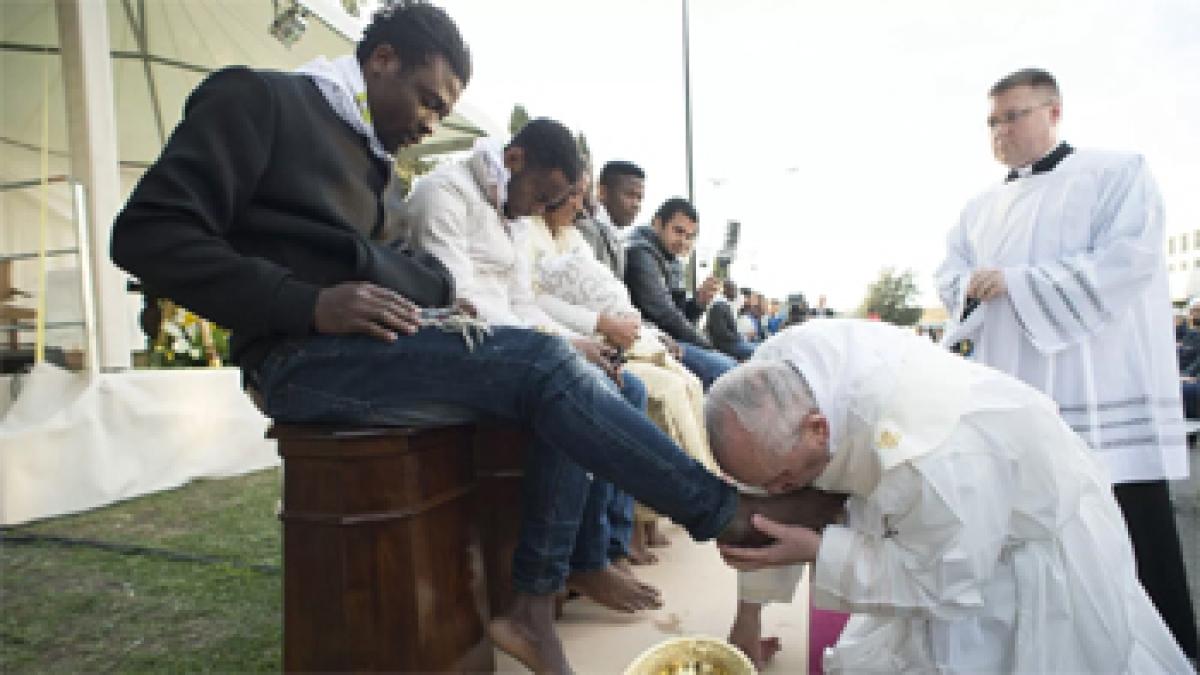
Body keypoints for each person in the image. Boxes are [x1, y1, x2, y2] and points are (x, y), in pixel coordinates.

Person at [109, 4, 836, 672]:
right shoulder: (259, 100)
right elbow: (146, 235)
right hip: (296, 360)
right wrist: (310, 303)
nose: (431, 123)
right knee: (547, 363)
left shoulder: (373, 160)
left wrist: (423, 292)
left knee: (577, 378)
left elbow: (402, 270)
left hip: (366, 347)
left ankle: (533, 601)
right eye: (428, 99)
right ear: (382, 59)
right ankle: (721, 514)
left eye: (444, 110)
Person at [708, 320, 1195, 673]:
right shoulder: (776, 377)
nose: (774, 494)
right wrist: (749, 618)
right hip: (936, 525)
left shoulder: (934, 456)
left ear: (818, 430)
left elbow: (944, 579)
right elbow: (763, 483)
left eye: (785, 482)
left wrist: (821, 549)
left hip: (1013, 549)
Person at [934, 67, 1196, 658]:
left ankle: (1167, 651)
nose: (1001, 130)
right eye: (993, 121)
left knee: (1125, 519)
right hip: (1017, 380)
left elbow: (1128, 260)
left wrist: (1022, 284)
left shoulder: (1117, 172)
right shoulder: (980, 207)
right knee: (1033, 526)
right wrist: (971, 289)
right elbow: (950, 276)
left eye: (1014, 116)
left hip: (1097, 383)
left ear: (1054, 113)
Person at [390, 119, 664, 613]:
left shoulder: (513, 215)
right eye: (543, 195)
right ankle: (562, 570)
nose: (543, 210)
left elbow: (523, 303)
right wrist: (557, 348)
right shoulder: (443, 193)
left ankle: (594, 554)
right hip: (461, 344)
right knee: (575, 390)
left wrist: (578, 341)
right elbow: (458, 300)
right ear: (514, 161)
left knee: (624, 388)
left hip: (514, 342)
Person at [528, 180, 716, 564]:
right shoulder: (528, 231)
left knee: (690, 382)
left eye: (581, 194)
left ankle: (642, 523)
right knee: (649, 391)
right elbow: (530, 300)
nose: (579, 204)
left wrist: (653, 333)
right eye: (571, 192)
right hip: (582, 341)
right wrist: (600, 326)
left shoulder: (574, 236)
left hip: (620, 338)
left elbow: (635, 305)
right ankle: (645, 524)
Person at [625, 197, 736, 387]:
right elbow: (664, 314)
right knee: (726, 370)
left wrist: (699, 302)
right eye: (678, 231)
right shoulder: (641, 252)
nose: (684, 241)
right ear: (657, 224)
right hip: (645, 339)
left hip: (666, 338)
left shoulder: (671, 260)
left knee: (730, 367)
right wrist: (707, 346)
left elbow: (679, 314)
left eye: (690, 236)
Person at [706, 279, 755, 361]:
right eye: (734, 289)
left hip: (732, 342)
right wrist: (740, 338)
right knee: (756, 351)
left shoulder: (725, 305)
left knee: (759, 348)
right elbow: (721, 333)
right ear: (726, 290)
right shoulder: (718, 306)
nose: (736, 293)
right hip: (725, 345)